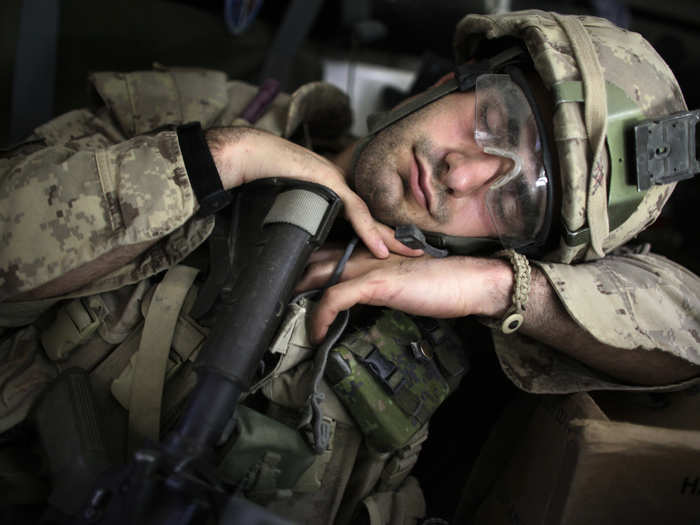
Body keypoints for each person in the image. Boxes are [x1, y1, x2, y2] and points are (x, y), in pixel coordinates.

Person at [0, 8, 698, 525]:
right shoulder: (207, 120)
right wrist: (221, 161)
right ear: (459, 79)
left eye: (518, 199)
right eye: (497, 121)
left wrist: (499, 287)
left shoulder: (468, 316)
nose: (462, 172)